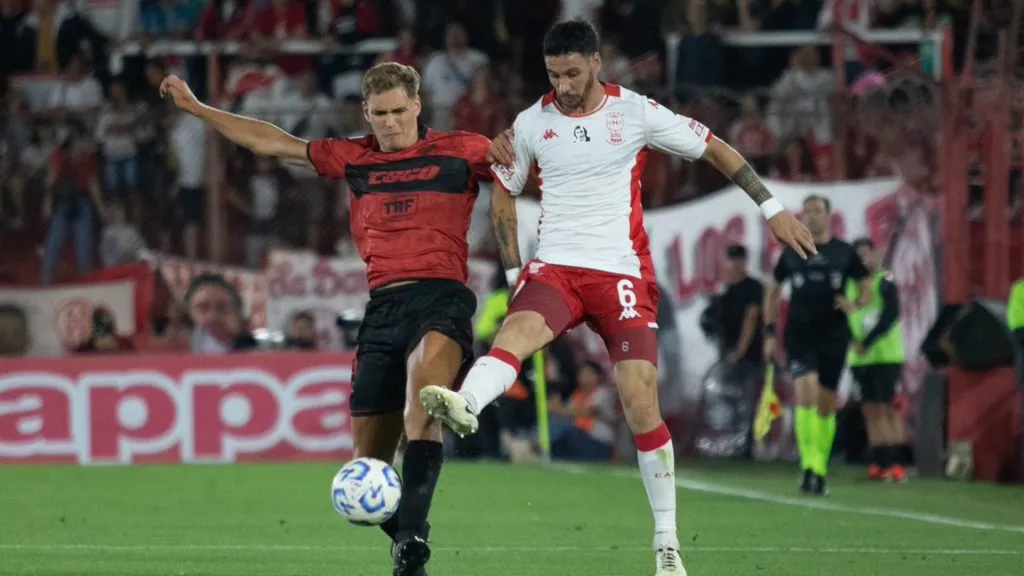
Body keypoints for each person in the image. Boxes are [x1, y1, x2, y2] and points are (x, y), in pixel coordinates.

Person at [418, 19, 815, 576]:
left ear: (597, 63)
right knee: (515, 334)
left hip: (620, 273)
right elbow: (503, 198)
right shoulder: (531, 124)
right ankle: (467, 404)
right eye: (555, 74)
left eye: (573, 73)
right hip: (556, 268)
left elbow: (716, 150)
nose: (564, 85)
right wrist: (515, 280)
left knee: (639, 401)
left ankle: (667, 543)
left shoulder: (637, 114)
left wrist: (772, 210)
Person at [161, 61, 500, 576]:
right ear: (366, 111)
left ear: (417, 106)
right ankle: (408, 544)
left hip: (443, 297)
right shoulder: (354, 157)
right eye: (379, 113)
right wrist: (198, 109)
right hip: (382, 306)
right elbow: (271, 142)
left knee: (425, 402)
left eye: (398, 112)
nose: (389, 122)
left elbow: (530, 167)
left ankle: (411, 538)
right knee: (368, 470)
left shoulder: (463, 149)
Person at [763, 195, 871, 496]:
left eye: (817, 211)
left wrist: (855, 304)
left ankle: (819, 468)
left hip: (834, 335)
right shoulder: (792, 250)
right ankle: (809, 465)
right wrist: (770, 332)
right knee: (805, 393)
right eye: (806, 212)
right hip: (799, 333)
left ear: (828, 215)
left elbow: (866, 289)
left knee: (826, 402)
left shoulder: (844, 252)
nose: (811, 216)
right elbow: (772, 291)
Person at [844, 238, 907, 482]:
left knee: (886, 408)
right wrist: (851, 340)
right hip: (860, 359)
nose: (862, 261)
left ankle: (896, 462)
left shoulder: (885, 281)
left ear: (875, 255)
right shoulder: (850, 285)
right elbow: (842, 315)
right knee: (869, 410)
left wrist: (866, 342)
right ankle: (879, 461)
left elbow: (890, 315)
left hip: (885, 356)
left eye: (865, 255)